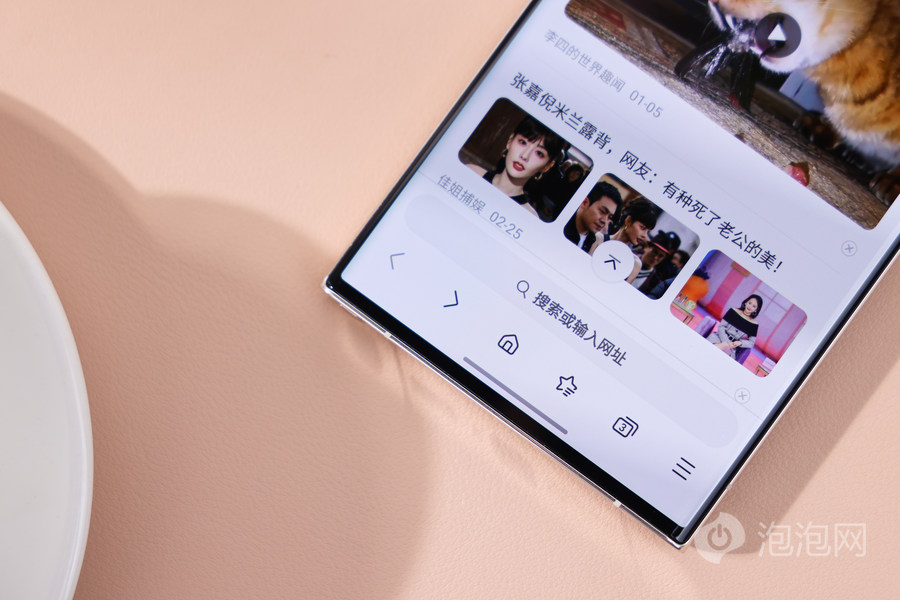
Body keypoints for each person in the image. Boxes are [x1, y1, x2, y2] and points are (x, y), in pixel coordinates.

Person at [467, 117, 567, 216]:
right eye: (523, 142)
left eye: (539, 153)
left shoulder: (528, 217)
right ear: (510, 141)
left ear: (547, 166)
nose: (525, 156)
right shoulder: (470, 173)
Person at [592, 197, 659, 283]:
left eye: (648, 231)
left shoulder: (635, 264)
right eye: (642, 228)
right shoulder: (599, 239)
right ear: (628, 220)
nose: (644, 235)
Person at [563, 181, 623, 253]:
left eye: (609, 217)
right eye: (602, 211)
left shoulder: (595, 242)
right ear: (585, 203)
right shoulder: (561, 226)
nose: (604, 221)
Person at [707, 294, 763, 362]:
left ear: (756, 310)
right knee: (722, 347)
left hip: (732, 347)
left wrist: (740, 342)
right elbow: (721, 327)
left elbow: (751, 342)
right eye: (749, 303)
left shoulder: (754, 324)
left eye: (754, 306)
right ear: (746, 302)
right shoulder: (733, 311)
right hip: (717, 338)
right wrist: (727, 342)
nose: (750, 307)